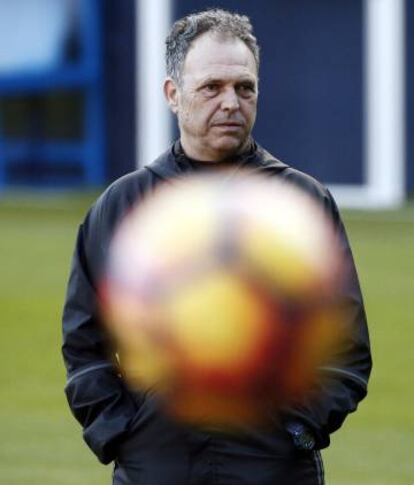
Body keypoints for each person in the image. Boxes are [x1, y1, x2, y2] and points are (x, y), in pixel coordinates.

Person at [62, 9, 372, 484]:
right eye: (212, 87)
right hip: (156, 464)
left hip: (275, 466)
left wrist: (298, 430)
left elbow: (346, 349)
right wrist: (120, 431)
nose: (231, 102)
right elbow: (85, 343)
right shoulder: (124, 205)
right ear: (173, 94)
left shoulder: (301, 203)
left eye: (244, 87)